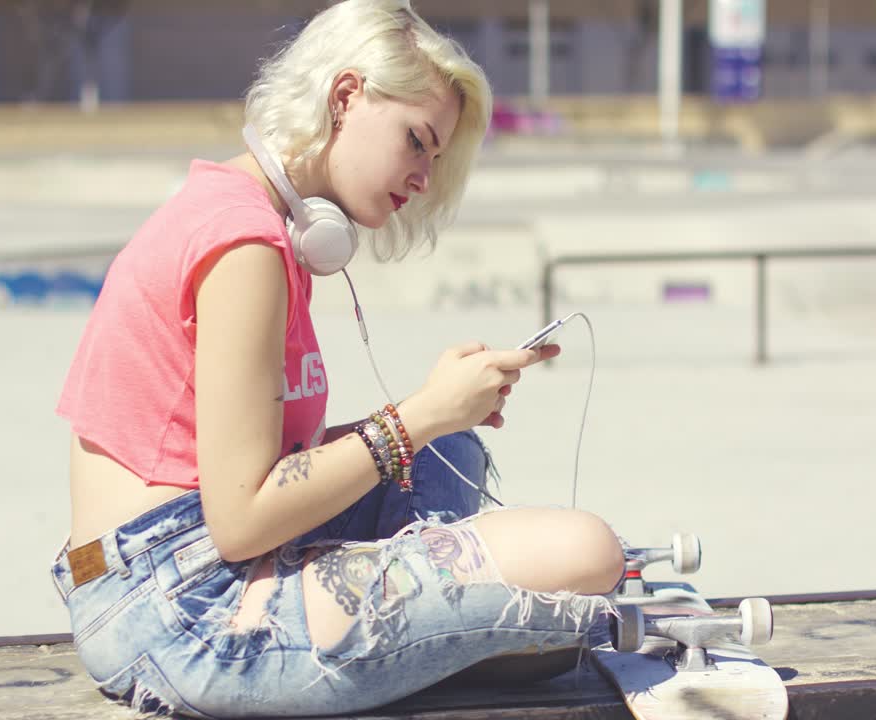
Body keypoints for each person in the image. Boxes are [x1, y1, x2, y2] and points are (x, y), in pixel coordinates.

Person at [49, 1, 624, 716]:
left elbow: (248, 480)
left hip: (184, 563)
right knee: (589, 553)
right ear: (346, 95)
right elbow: (242, 520)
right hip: (179, 612)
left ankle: (405, 615)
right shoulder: (245, 246)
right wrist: (416, 415)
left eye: (435, 158)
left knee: (457, 452)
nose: (422, 177)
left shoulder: (251, 221)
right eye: (417, 141)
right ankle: (396, 621)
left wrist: (439, 418)